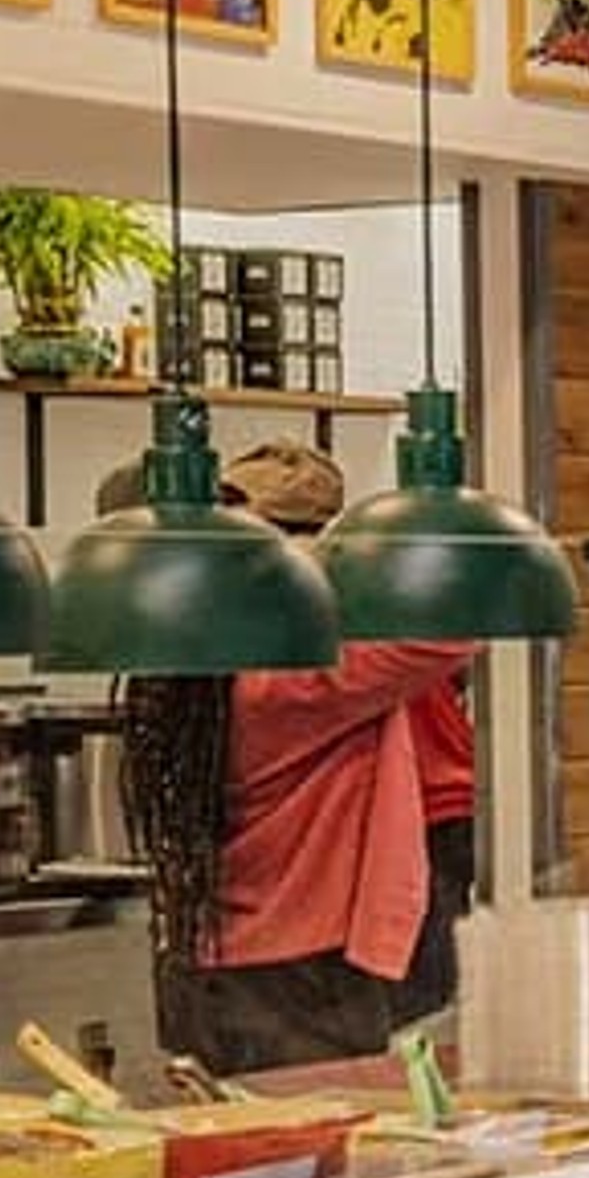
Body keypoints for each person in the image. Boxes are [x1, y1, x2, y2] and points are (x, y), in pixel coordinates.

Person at [118, 440, 480, 1073]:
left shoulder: (189, 672)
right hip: (299, 973)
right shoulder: (291, 678)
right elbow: (454, 629)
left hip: (202, 961)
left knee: (224, 1135)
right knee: (319, 1135)